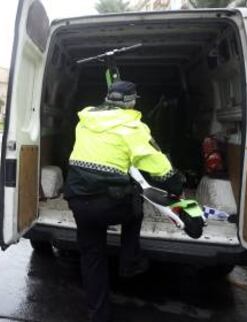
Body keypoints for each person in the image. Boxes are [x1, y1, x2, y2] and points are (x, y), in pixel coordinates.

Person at [64, 80, 184, 322]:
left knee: (91, 256)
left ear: (108, 98)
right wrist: (176, 185)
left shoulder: (84, 122)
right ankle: (129, 261)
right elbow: (154, 162)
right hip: (109, 203)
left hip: (78, 199)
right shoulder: (133, 126)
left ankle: (98, 314)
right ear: (131, 102)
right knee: (136, 208)